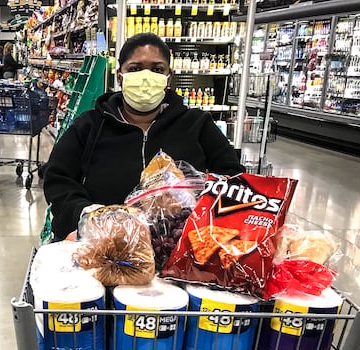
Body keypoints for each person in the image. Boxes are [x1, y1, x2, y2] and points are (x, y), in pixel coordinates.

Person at [42, 33, 244, 241]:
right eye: (135, 69)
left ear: (168, 77)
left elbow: (234, 178)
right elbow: (58, 179)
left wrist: (196, 207)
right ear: (119, 76)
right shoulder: (90, 125)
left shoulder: (198, 124)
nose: (146, 78)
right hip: (103, 246)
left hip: (181, 247)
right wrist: (88, 216)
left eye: (157, 69)